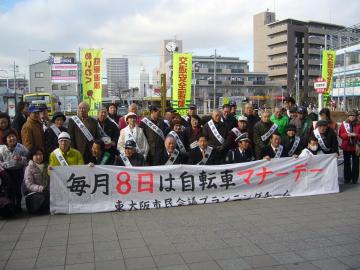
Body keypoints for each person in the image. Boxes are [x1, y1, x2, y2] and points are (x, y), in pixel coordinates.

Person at [0, 129, 29, 211]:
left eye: (13, 136)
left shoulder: (21, 147)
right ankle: (10, 205)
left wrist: (21, 159)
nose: (12, 139)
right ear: (5, 139)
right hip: (6, 173)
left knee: (18, 189)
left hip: (18, 171)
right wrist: (4, 164)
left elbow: (28, 159)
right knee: (9, 189)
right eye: (9, 137)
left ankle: (18, 205)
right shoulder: (2, 149)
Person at [23, 148, 49, 214]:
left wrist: (52, 171)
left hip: (45, 191)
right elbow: (29, 184)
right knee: (41, 197)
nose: (39, 157)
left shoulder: (47, 166)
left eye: (40, 154)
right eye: (36, 155)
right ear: (32, 156)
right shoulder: (29, 168)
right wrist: (41, 188)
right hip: (34, 193)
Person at [339, 110, 360, 184]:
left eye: (353, 116)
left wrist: (356, 135)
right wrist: (347, 135)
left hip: (356, 146)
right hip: (346, 146)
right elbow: (341, 134)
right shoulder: (344, 124)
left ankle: (354, 179)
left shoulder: (359, 124)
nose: (351, 117)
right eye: (350, 116)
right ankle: (347, 178)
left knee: (356, 163)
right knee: (346, 163)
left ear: (356, 117)